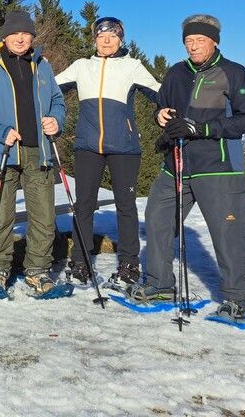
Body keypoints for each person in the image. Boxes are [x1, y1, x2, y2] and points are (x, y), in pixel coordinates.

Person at [129, 15, 245, 322]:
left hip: (219, 167)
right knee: (157, 218)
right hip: (176, 164)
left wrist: (201, 128)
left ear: (214, 41)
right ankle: (159, 283)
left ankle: (238, 297)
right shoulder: (176, 72)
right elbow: (162, 107)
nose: (193, 46)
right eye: (188, 41)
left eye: (199, 40)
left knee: (227, 234)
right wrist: (159, 114)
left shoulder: (233, 72)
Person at [0, 10, 66, 297]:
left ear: (32, 36)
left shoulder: (42, 65)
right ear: (5, 36)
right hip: (2, 150)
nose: (20, 38)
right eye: (15, 33)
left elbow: (57, 101)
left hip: (38, 151)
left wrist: (56, 120)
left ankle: (38, 272)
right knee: (1, 216)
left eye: (26, 33)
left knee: (43, 216)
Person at [54, 17, 160, 288]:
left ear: (121, 39)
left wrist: (167, 109)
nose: (106, 40)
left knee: (126, 206)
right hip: (88, 145)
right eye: (101, 36)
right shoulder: (81, 66)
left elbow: (159, 93)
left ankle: (128, 266)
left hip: (124, 147)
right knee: (84, 205)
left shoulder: (132, 66)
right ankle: (80, 264)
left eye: (112, 36)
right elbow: (50, 87)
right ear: (94, 39)